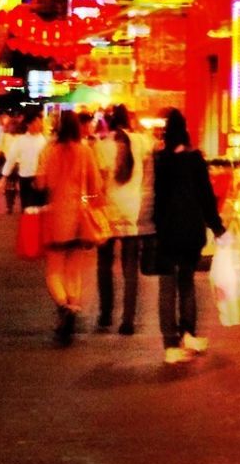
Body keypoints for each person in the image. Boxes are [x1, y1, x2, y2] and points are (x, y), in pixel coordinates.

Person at [153, 107, 225, 365]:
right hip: (191, 230)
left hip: (167, 230)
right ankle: (188, 334)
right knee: (187, 282)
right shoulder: (195, 160)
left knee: (166, 287)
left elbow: (157, 199)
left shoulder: (161, 160)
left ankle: (170, 344)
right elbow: (206, 197)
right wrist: (217, 227)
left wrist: (156, 228)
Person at [35, 108, 103, 345]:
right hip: (78, 217)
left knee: (54, 270)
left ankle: (63, 307)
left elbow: (40, 181)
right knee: (74, 270)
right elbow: (97, 184)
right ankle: (72, 309)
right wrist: (91, 200)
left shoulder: (49, 151)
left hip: (56, 216)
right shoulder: (85, 151)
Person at [95, 105, 146, 335]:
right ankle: (128, 320)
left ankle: (106, 314)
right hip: (132, 212)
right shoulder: (142, 142)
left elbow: (98, 181)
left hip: (109, 211)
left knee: (104, 265)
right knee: (130, 268)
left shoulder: (102, 146)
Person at [0, 107, 47, 209]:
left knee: (41, 210)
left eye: (40, 122)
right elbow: (11, 159)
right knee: (27, 210)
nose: (39, 125)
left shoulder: (44, 141)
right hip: (26, 179)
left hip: (42, 178)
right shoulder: (21, 141)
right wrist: (4, 177)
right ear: (29, 124)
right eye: (36, 122)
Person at [0, 115, 23, 213]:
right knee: (10, 186)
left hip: (19, 164)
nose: (12, 128)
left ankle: (11, 204)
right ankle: (9, 205)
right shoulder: (5, 136)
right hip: (10, 164)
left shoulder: (21, 137)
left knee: (14, 185)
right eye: (10, 126)